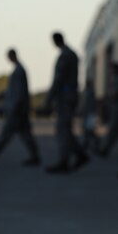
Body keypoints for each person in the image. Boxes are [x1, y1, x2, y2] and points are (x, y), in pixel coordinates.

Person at [0, 49, 41, 166]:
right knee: (26, 135)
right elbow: (12, 90)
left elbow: (18, 92)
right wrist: (1, 96)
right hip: (20, 109)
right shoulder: (19, 70)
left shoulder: (18, 71)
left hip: (17, 110)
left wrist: (15, 107)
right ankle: (35, 156)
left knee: (6, 134)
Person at [44, 32, 89, 174]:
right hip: (70, 94)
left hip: (65, 96)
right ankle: (80, 155)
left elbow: (59, 78)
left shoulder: (65, 55)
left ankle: (64, 161)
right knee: (66, 130)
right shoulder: (72, 54)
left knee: (62, 130)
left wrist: (49, 98)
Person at [80, 78, 99, 152]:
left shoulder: (90, 92)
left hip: (90, 113)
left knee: (89, 130)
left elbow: (90, 104)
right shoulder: (87, 91)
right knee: (87, 130)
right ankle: (87, 143)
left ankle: (94, 143)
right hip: (87, 113)